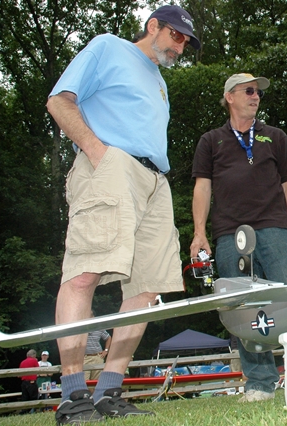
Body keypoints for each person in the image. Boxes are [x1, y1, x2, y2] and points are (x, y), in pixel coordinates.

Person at [46, 5, 200, 423]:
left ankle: (109, 392)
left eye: (186, 42)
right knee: (84, 273)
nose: (180, 47)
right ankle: (73, 395)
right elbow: (59, 101)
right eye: (177, 36)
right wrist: (98, 152)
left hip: (155, 181)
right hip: (111, 165)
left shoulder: (160, 81)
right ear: (153, 26)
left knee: (147, 290)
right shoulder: (108, 48)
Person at [190, 73, 287, 402]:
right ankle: (259, 384)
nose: (256, 96)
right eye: (249, 91)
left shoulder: (276, 136)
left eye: (258, 92)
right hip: (230, 234)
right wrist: (199, 233)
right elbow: (202, 187)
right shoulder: (210, 141)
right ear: (230, 96)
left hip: (276, 228)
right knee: (242, 308)